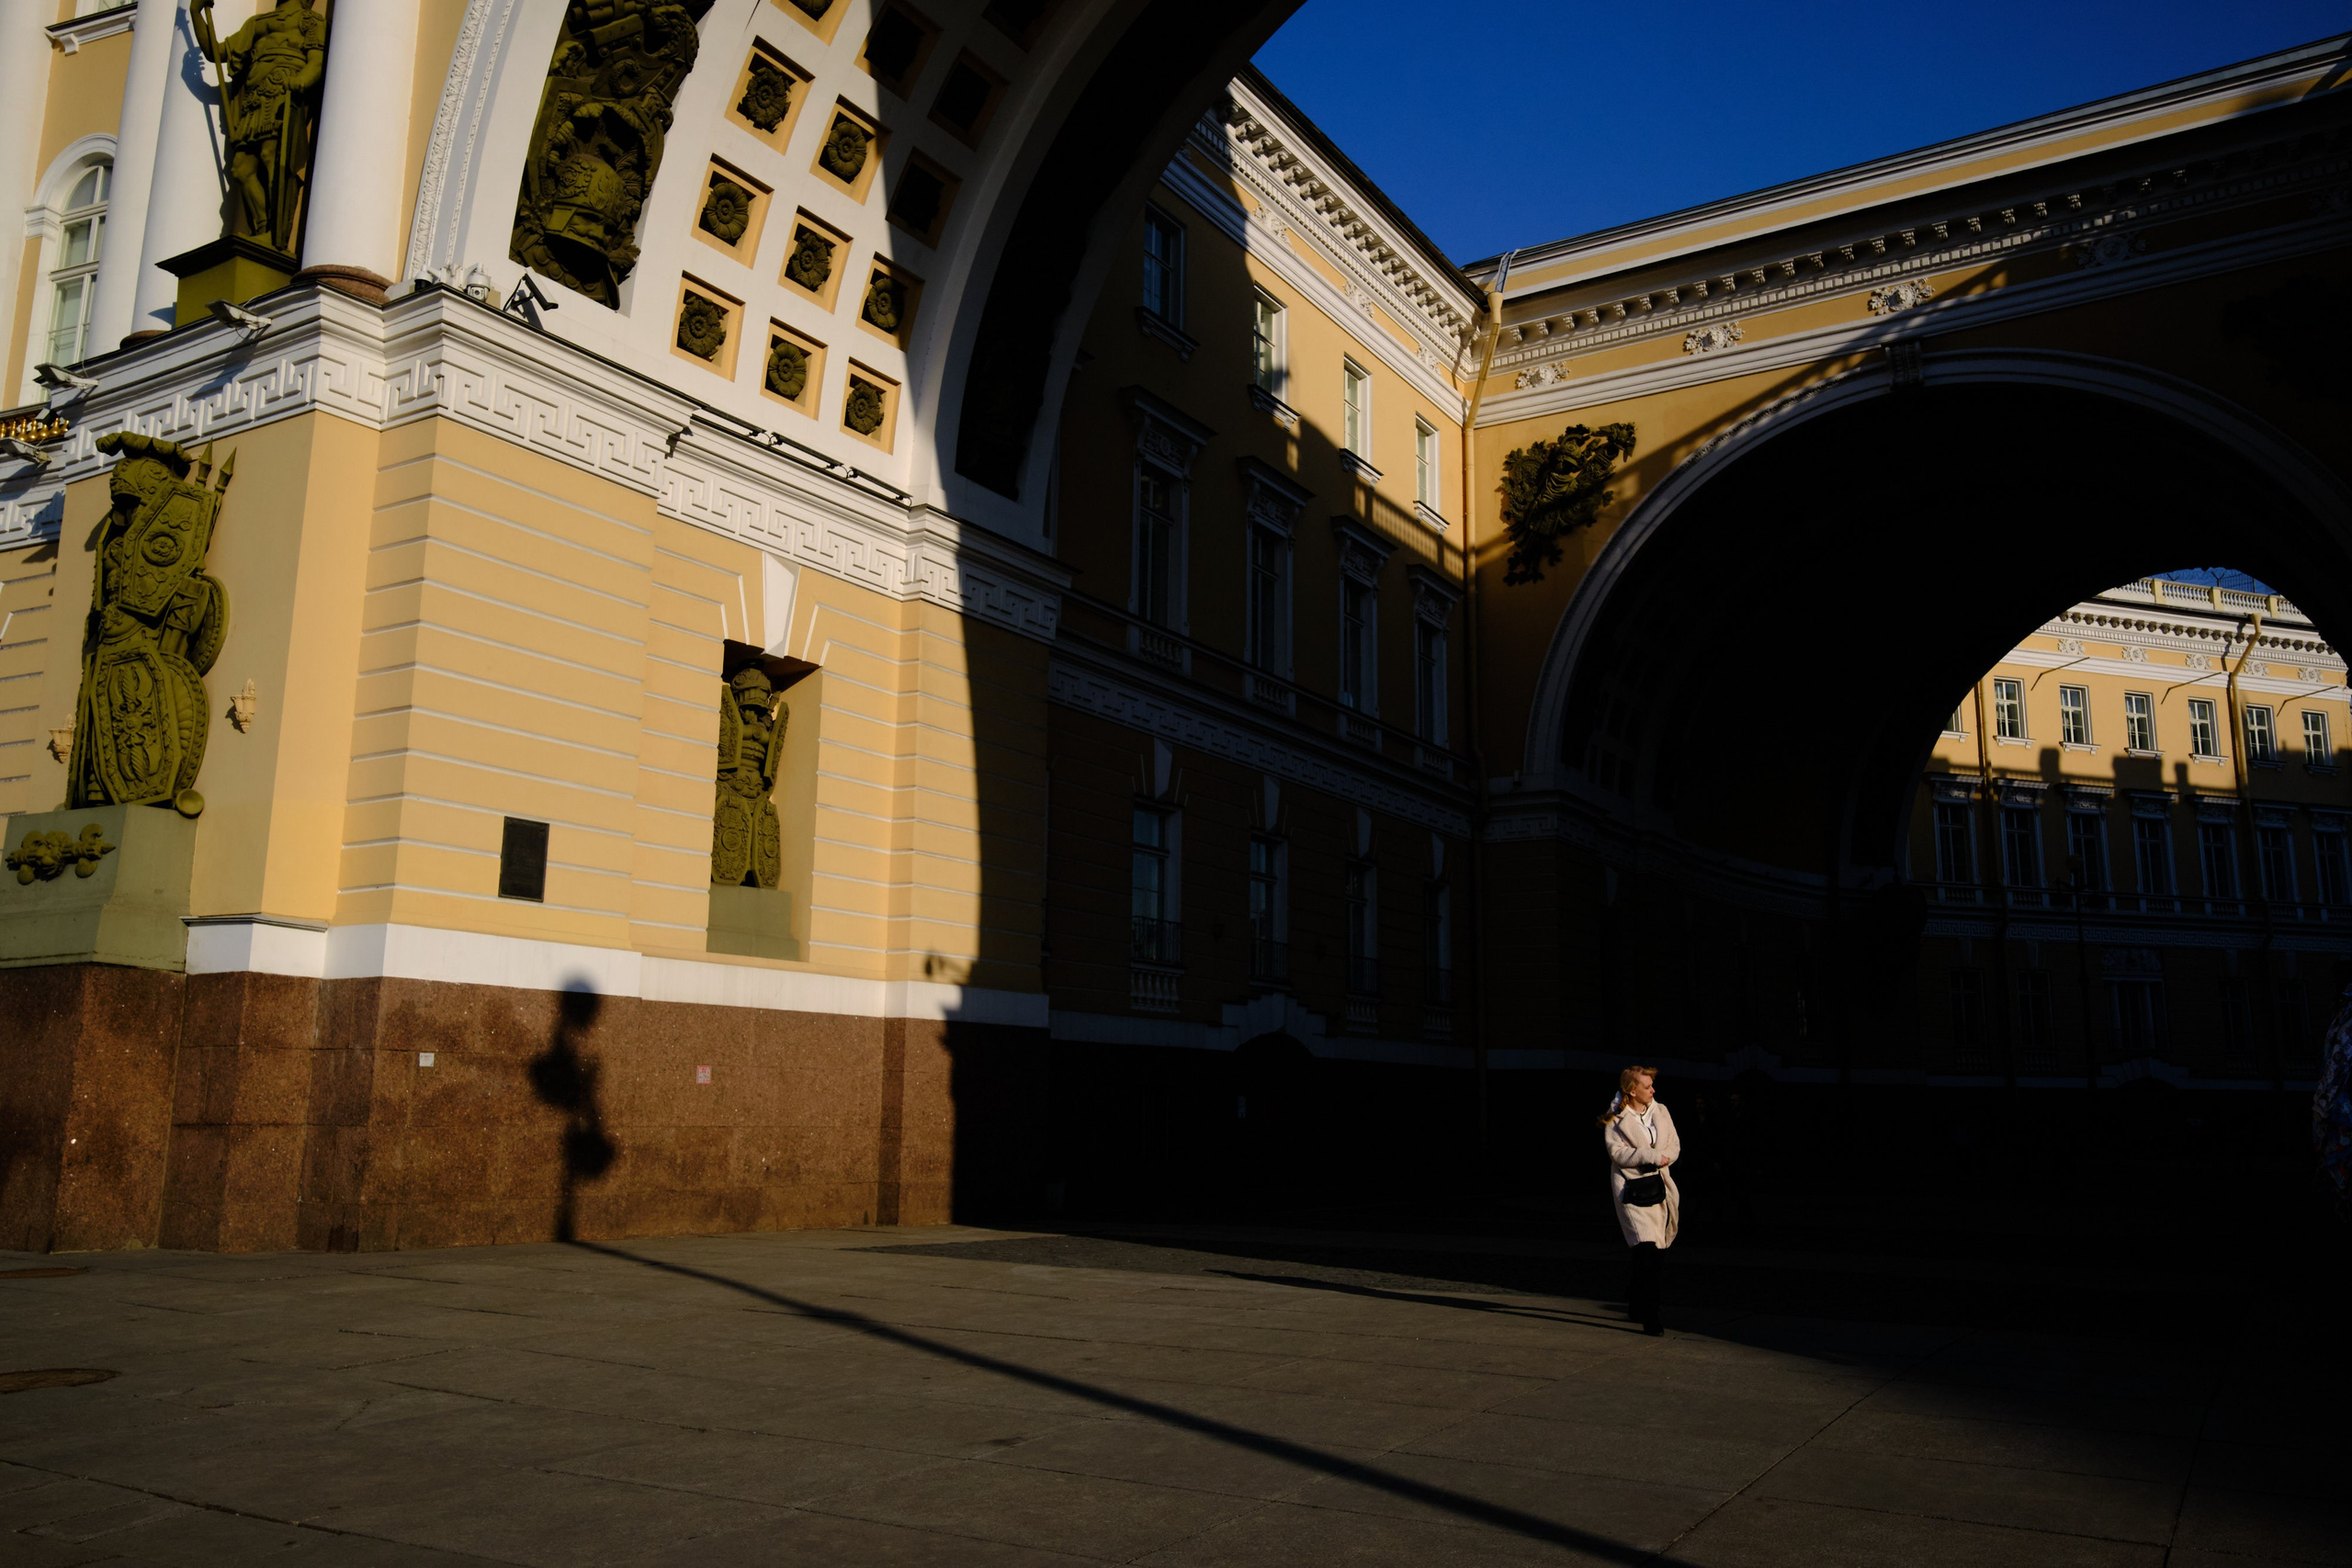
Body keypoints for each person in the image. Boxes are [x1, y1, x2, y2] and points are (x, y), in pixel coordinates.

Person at [1600, 1065, 1679, 1335]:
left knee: (1654, 1253)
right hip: (1631, 1189)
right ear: (1632, 1091)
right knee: (1646, 1252)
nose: (1653, 1090)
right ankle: (1651, 1316)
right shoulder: (1617, 1117)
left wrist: (1665, 1156)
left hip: (1660, 1188)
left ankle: (1635, 1296)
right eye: (1647, 1086)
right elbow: (1618, 1154)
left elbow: (1674, 1145)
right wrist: (1651, 1156)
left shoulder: (1662, 1111)